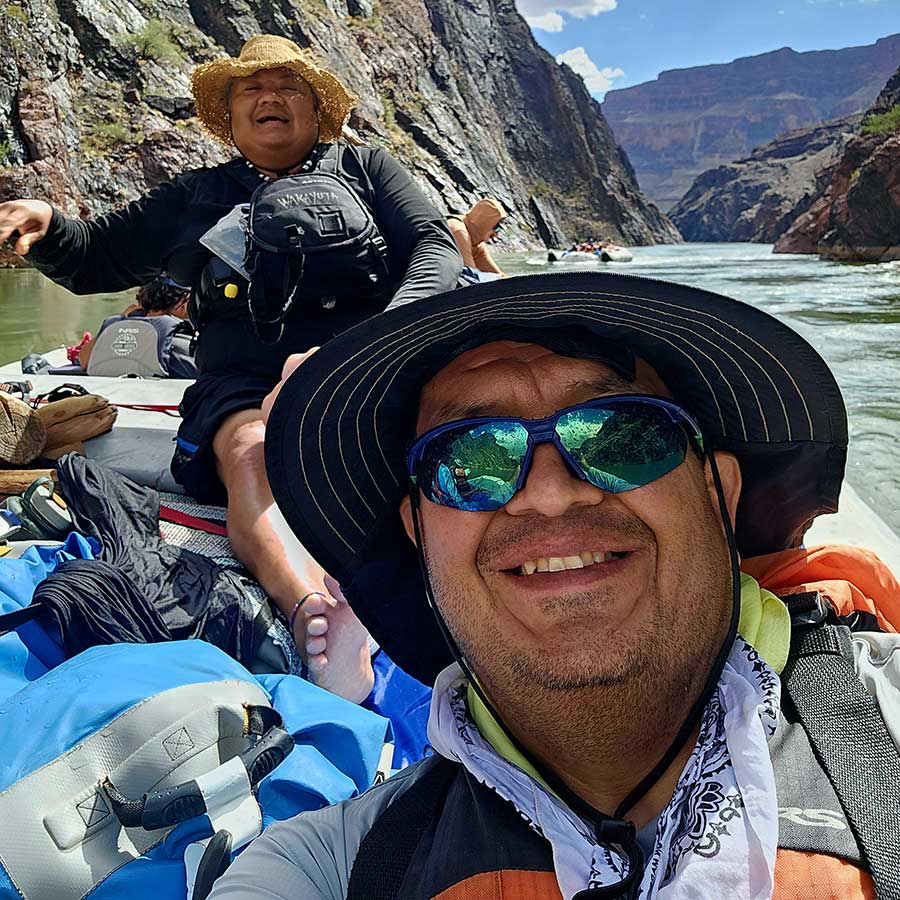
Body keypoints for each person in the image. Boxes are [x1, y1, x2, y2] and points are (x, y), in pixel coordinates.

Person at [212, 271, 900, 899]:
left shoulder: (884, 740)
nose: (546, 494)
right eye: (470, 455)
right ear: (419, 533)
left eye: (621, 435)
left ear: (717, 490)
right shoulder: (329, 868)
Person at [0, 34, 461, 702]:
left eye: (287, 86)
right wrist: (47, 226)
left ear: (314, 107)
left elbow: (435, 248)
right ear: (234, 112)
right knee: (248, 450)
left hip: (363, 371)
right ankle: (313, 613)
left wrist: (373, 349)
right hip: (240, 387)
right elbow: (98, 256)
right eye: (252, 87)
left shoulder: (370, 170)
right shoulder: (195, 196)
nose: (269, 97)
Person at [77, 276, 195, 377]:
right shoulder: (178, 334)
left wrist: (123, 319)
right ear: (183, 303)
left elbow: (84, 361)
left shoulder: (115, 327)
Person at [447, 198, 507, 280]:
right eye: (496, 228)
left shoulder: (476, 242)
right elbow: (470, 278)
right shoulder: (459, 231)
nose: (496, 234)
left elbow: (501, 277)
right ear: (485, 222)